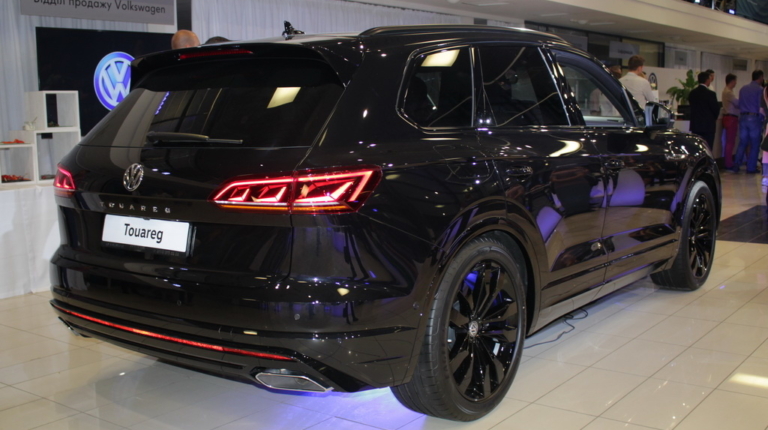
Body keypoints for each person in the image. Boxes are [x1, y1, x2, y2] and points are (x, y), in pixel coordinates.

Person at [734, 69, 765, 173]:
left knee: (742, 143)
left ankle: (736, 164)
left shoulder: (743, 89)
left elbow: (739, 104)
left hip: (743, 118)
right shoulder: (760, 90)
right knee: (754, 144)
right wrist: (762, 119)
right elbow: (760, 106)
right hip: (754, 119)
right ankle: (751, 168)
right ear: (760, 77)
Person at [689, 71, 720, 150]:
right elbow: (716, 109)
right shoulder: (711, 94)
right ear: (707, 80)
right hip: (708, 126)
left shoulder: (692, 93)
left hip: (696, 126)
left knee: (696, 148)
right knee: (707, 148)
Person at [721, 73, 739, 169]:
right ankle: (729, 163)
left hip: (728, 118)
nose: (736, 83)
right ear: (732, 81)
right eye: (735, 81)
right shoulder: (728, 92)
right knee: (730, 142)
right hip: (731, 118)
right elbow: (737, 103)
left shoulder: (726, 91)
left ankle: (729, 162)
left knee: (729, 141)